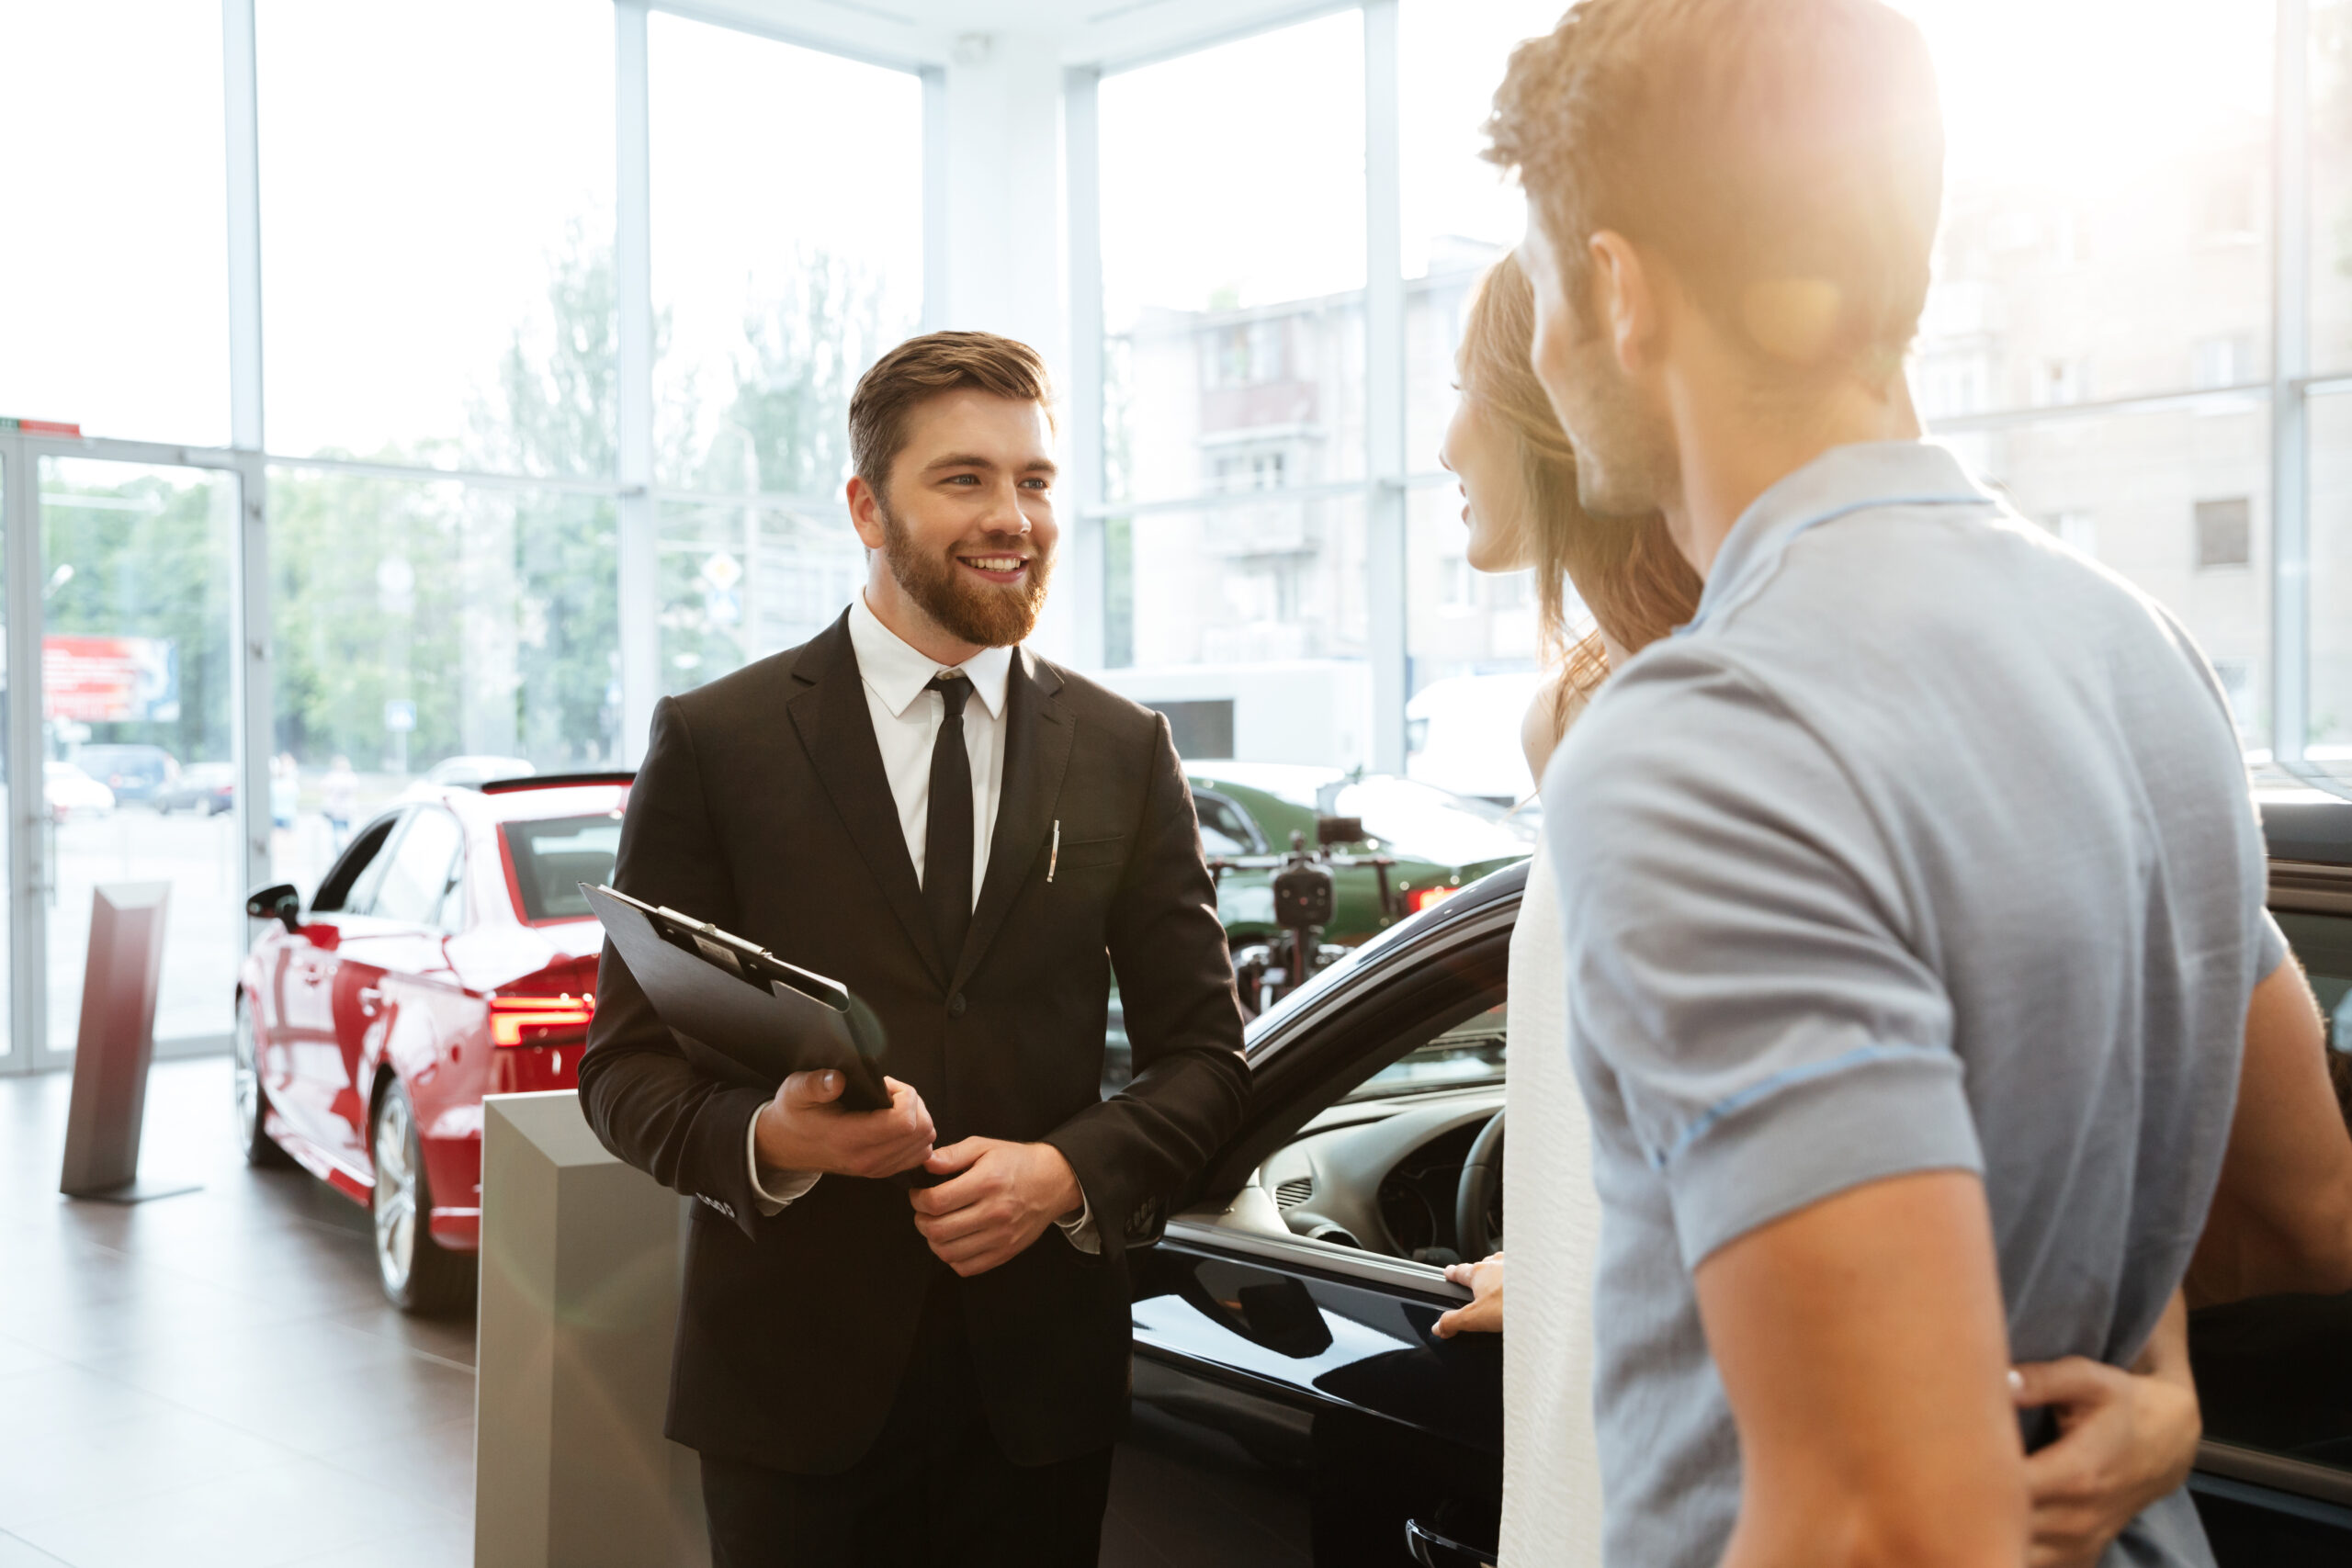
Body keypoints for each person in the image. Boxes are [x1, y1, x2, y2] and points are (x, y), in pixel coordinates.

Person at [1483, 1, 2334, 1562]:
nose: (1538, 347)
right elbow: (2301, 1214)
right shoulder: (2140, 652)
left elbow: (1880, 1526)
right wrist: (2126, 1360)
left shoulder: (1703, 738)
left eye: (1539, 287)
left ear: (1616, 291)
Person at [1430, 251, 2206, 1568]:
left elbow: (2034, 1079)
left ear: (1564, 400)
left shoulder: (1755, 725)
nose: (1444, 440)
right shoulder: (1576, 718)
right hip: (1614, 1418)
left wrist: (2166, 1372)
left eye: (1463, 389)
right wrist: (1583, 1256)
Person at [577, 331, 1249, 1568]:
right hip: (791, 1399)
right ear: (865, 506)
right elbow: (620, 1073)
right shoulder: (720, 742)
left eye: (1036, 481)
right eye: (965, 479)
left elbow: (1207, 1060)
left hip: (1038, 1400)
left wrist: (1064, 1172)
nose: (1014, 517)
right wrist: (772, 1140)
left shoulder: (1121, 747)